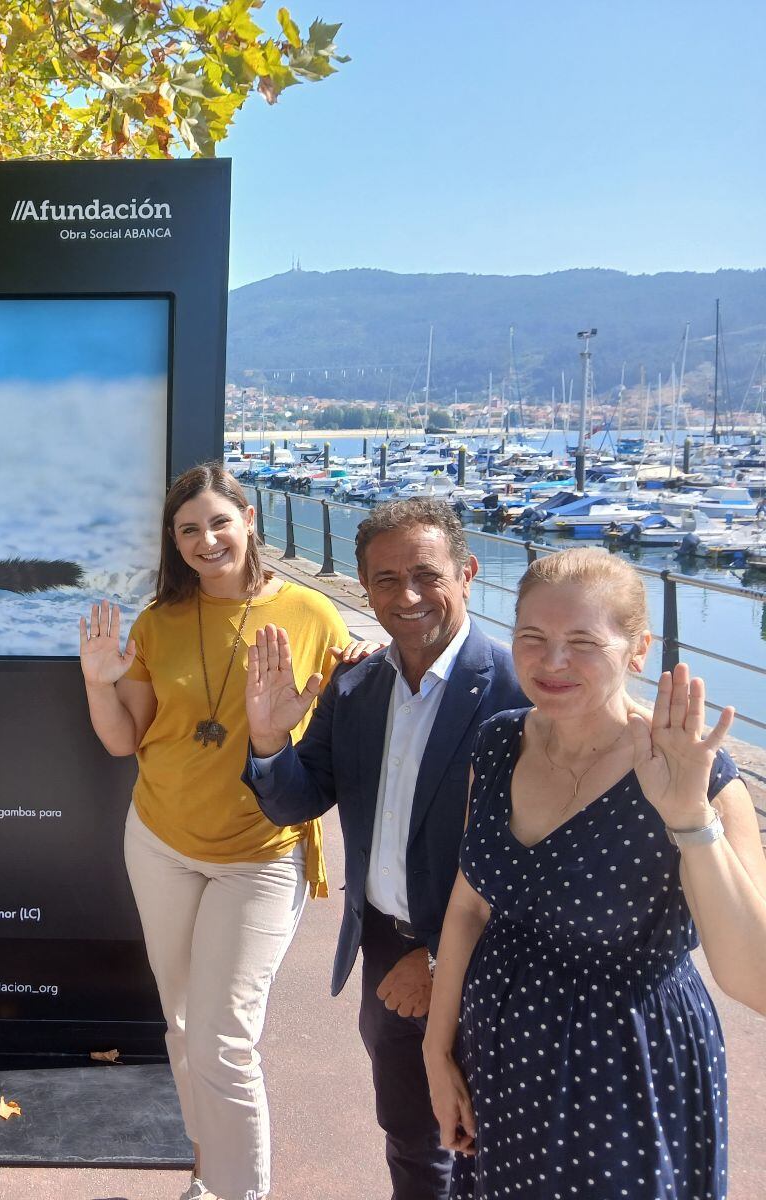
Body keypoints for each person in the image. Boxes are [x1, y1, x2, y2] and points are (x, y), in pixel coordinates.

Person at [423, 548, 766, 1199]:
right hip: (503, 1060)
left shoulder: (695, 774)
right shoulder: (499, 743)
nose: (552, 662)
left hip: (623, 1072)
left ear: (639, 650)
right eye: (533, 637)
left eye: (582, 642)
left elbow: (755, 978)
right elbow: (470, 905)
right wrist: (438, 1052)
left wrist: (690, 817)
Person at [79, 463, 353, 1200]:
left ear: (251, 520)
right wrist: (99, 682)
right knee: (180, 1025)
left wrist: (356, 670)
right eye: (189, 530)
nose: (207, 541)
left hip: (260, 853)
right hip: (162, 841)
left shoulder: (313, 615)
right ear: (175, 541)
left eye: (219, 523)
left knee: (224, 1042)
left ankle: (239, 1192)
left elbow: (336, 735)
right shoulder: (158, 622)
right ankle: (208, 1169)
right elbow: (123, 739)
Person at [240, 497, 526, 1199]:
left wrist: (439, 961)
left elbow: (537, 861)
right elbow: (299, 798)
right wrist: (271, 741)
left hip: (487, 966)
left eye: (426, 575)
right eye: (386, 579)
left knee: (493, 1146)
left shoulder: (519, 694)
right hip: (381, 954)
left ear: (467, 574)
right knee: (410, 1140)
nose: (407, 596)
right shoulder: (358, 684)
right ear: (364, 588)